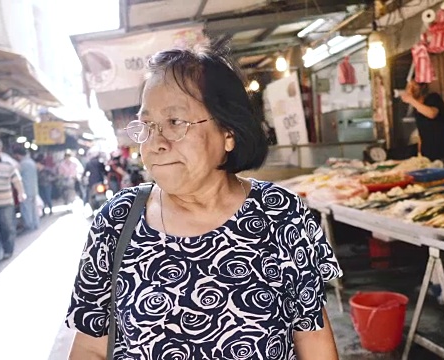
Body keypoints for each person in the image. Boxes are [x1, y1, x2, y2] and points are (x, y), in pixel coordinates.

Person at [65, 42, 343, 360]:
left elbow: (313, 337)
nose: (155, 143)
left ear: (228, 132)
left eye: (175, 122)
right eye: (147, 125)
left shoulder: (279, 214)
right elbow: (90, 347)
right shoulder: (117, 220)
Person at [399, 80, 444, 162]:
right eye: (409, 87)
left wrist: (411, 100)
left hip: (442, 152)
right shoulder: (417, 108)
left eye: (414, 86)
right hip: (427, 154)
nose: (411, 89)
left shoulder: (433, 98)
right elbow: (421, 132)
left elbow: (432, 114)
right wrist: (419, 153)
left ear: (423, 87)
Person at [12, 147, 40, 231]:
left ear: (17, 155)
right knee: (33, 209)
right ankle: (36, 224)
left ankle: (29, 226)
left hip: (25, 190)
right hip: (34, 189)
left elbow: (15, 176)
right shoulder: (31, 162)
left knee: (26, 209)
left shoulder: (22, 164)